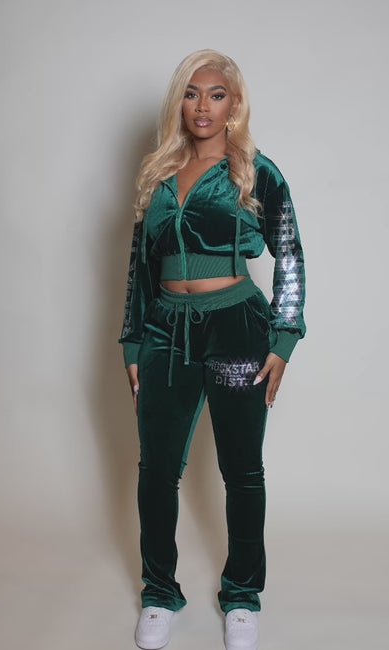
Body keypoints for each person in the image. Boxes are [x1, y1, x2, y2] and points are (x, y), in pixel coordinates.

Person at [118, 49, 306, 650]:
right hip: (164, 333)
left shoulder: (255, 170)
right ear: (180, 103)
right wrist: (132, 339)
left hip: (236, 330)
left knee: (242, 471)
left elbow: (289, 251)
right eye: (192, 93)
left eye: (216, 94)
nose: (203, 106)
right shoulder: (157, 174)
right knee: (156, 471)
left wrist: (284, 336)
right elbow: (139, 266)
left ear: (234, 104)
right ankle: (158, 591)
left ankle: (242, 595)